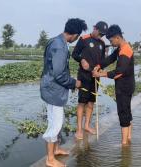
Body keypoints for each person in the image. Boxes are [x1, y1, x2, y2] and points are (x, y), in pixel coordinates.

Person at [40, 18, 87, 167]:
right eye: (78, 36)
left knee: (55, 121)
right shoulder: (60, 46)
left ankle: (57, 148)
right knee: (55, 123)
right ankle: (50, 159)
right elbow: (59, 74)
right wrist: (75, 83)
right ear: (75, 35)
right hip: (54, 91)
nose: (77, 39)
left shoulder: (55, 40)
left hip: (52, 88)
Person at [92, 25, 135, 145]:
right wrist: (99, 66)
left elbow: (118, 72)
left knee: (123, 112)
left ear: (117, 37)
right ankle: (129, 138)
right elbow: (110, 59)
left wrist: (100, 74)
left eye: (111, 41)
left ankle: (124, 144)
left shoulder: (125, 51)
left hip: (124, 87)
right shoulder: (121, 48)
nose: (111, 43)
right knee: (126, 111)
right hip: (126, 85)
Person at [72, 21, 108, 140]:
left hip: (95, 76)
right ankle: (79, 129)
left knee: (91, 102)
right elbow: (74, 54)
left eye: (103, 34)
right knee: (82, 102)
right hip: (84, 76)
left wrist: (99, 69)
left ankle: (87, 126)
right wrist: (82, 60)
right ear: (95, 28)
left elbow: (102, 61)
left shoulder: (102, 43)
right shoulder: (84, 39)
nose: (101, 36)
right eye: (100, 33)